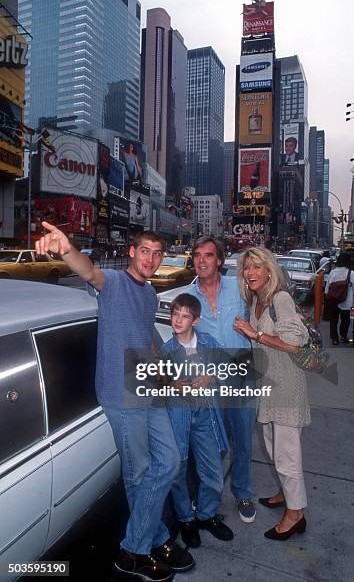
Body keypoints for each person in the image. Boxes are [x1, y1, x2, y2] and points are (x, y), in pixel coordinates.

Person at [36, 222, 194, 582]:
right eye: (145, 252)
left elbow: (144, 336)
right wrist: (66, 248)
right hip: (120, 394)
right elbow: (89, 272)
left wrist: (162, 370)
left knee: (169, 461)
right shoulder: (115, 283)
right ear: (131, 253)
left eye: (157, 254)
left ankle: (144, 540)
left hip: (146, 387)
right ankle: (139, 549)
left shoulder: (150, 294)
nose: (151, 259)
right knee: (138, 474)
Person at [233, 247, 310, 540]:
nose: (250, 273)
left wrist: (256, 335)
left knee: (286, 453)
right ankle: (286, 492)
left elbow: (293, 343)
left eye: (256, 267)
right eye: (247, 268)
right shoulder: (257, 301)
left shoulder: (281, 299)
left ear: (269, 271)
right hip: (267, 385)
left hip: (287, 386)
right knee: (272, 446)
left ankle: (296, 513)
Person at [186, 236, 257, 524]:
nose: (202, 260)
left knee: (243, 442)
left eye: (209, 255)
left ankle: (242, 492)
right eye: (198, 255)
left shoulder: (239, 288)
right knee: (213, 446)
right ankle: (209, 500)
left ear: (220, 260)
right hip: (211, 384)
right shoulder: (190, 299)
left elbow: (262, 311)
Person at [161, 293, 233, 548]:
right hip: (177, 417)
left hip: (205, 415)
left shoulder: (208, 343)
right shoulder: (166, 351)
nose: (178, 320)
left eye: (185, 316)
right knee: (178, 471)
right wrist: (171, 385)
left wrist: (210, 377)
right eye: (175, 314)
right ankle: (186, 519)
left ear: (196, 320)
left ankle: (207, 514)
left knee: (212, 470)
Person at [325, 252, 354, 345]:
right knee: (345, 320)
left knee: (334, 320)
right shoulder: (351, 273)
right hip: (346, 301)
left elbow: (327, 289)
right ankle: (343, 336)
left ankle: (335, 339)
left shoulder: (333, 272)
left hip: (333, 300)